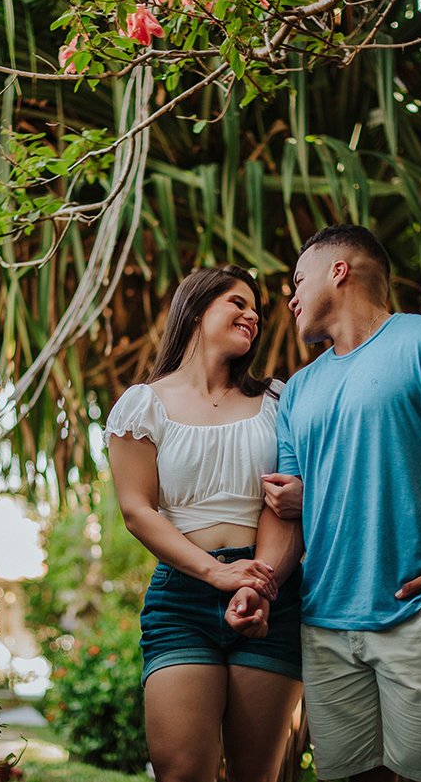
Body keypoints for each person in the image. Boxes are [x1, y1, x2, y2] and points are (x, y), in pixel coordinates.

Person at [226, 225, 421, 782]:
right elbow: (291, 515)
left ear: (339, 270)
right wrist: (260, 587)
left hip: (416, 615)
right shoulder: (298, 390)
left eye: (298, 280)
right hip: (325, 624)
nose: (289, 298)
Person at [104, 266, 305, 782]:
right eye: (237, 302)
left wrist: (259, 583)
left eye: (255, 308)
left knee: (254, 776)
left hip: (268, 592)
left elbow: (284, 504)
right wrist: (217, 575)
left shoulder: (279, 402)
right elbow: (137, 510)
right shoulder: (142, 405)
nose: (253, 314)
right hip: (182, 598)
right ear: (194, 309)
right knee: (182, 774)